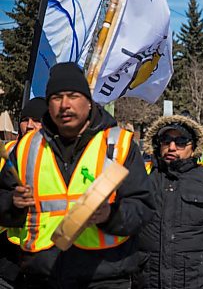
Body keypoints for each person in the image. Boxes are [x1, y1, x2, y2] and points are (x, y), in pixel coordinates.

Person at [0, 62, 155, 288]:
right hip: (42, 276)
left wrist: (110, 215)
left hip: (104, 277)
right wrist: (13, 205)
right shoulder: (26, 148)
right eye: (56, 97)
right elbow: (2, 202)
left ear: (88, 101)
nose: (64, 105)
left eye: (72, 96)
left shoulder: (118, 144)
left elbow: (143, 208)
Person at [137, 114, 203, 289]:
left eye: (181, 141)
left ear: (193, 147)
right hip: (145, 281)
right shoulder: (140, 176)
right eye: (166, 140)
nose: (172, 147)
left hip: (196, 281)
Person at [0, 97, 47, 289]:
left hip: (43, 253)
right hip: (7, 253)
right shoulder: (8, 151)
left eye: (36, 120)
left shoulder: (55, 157)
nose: (29, 126)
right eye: (25, 119)